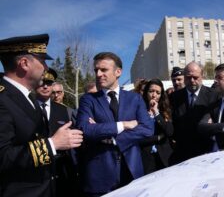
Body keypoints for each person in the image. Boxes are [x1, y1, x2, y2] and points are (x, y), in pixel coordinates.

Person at [0, 34, 83, 197]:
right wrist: (52, 144)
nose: (46, 68)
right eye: (42, 60)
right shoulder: (2, 99)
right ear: (24, 63)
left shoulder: (27, 97)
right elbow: (3, 156)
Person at [76, 52, 154, 196]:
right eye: (96, 70)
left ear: (118, 72)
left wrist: (112, 138)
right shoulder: (88, 100)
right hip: (100, 175)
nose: (98, 74)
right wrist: (122, 125)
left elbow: (148, 129)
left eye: (103, 70)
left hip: (132, 172)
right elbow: (84, 129)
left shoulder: (134, 98)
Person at [35, 68, 80, 196]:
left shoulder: (64, 110)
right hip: (36, 171)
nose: (45, 86)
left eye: (49, 83)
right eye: (41, 82)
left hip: (62, 170)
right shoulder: (26, 107)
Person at [169, 61, 219, 164]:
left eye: (195, 77)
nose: (192, 81)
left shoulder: (214, 95)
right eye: (188, 77)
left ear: (202, 76)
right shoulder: (174, 97)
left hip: (207, 152)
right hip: (183, 153)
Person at [139, 78, 173, 174]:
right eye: (151, 91)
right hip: (146, 157)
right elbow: (138, 137)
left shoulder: (165, 110)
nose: (154, 95)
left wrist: (156, 113)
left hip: (164, 156)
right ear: (146, 93)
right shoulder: (139, 110)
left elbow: (169, 132)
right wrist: (157, 137)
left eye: (158, 93)